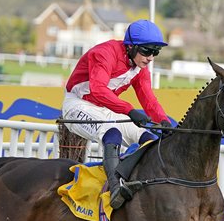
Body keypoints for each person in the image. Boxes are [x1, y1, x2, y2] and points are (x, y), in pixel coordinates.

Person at [62, 19, 172, 209]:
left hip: (104, 108)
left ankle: (147, 185)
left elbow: (148, 99)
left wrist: (163, 121)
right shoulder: (105, 54)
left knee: (147, 136)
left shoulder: (140, 67)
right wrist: (129, 110)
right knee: (112, 133)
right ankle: (115, 189)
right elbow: (97, 89)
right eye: (146, 51)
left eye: (155, 52)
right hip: (77, 104)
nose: (150, 57)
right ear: (130, 47)